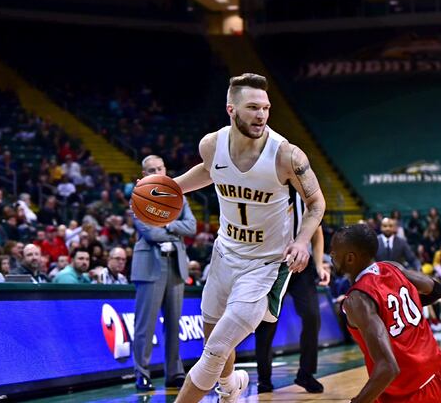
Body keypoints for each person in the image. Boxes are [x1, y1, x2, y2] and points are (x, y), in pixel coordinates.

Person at [172, 73, 326, 403]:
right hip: (225, 253)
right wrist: (170, 189)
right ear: (232, 109)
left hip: (265, 264)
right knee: (213, 340)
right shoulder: (212, 145)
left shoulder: (287, 155)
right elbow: (208, 170)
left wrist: (301, 242)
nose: (261, 115)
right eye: (253, 107)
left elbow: (316, 203)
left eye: (266, 108)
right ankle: (230, 388)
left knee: (214, 350)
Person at [329, 224, 441, 403]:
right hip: (439, 372)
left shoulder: (357, 299)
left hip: (411, 392)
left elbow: (388, 368)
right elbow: (437, 289)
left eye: (334, 252)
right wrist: (402, 309)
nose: (331, 255)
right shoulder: (393, 268)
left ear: (350, 258)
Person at [132, 155, 196, 391]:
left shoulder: (178, 197)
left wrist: (166, 225)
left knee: (173, 324)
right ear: (144, 173)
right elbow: (150, 234)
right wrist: (174, 229)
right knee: (145, 326)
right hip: (149, 265)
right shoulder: (138, 197)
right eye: (151, 170)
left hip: (175, 265)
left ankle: (175, 373)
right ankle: (142, 374)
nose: (156, 172)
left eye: (159, 168)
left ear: (166, 169)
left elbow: (191, 226)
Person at [255, 217, 329, 394]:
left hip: (302, 266)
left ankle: (306, 373)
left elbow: (316, 231)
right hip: (273, 264)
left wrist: (319, 266)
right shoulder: (271, 195)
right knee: (267, 321)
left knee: (312, 316)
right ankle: (263, 379)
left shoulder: (305, 194)